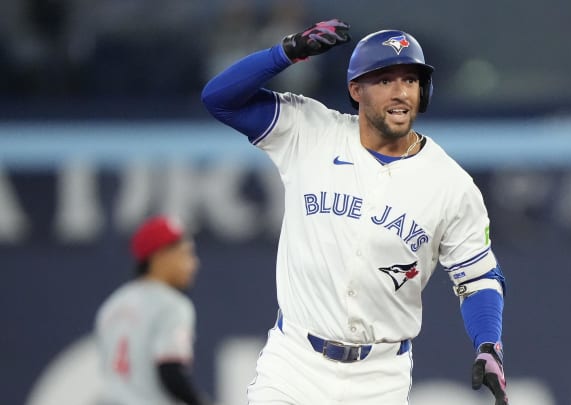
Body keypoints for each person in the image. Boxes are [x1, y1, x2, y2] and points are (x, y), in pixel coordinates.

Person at [202, 19, 509, 405]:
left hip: (379, 377)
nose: (400, 93)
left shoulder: (451, 185)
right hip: (294, 363)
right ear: (355, 90)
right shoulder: (310, 132)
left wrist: (488, 344)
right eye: (385, 80)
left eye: (410, 81)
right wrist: (286, 53)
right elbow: (219, 99)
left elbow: (479, 277)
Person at [94, 215, 209, 405]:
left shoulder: (111, 307)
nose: (194, 263)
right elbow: (171, 372)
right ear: (161, 256)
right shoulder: (172, 305)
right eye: (185, 253)